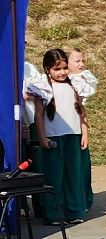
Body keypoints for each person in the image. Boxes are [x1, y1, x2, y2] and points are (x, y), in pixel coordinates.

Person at [27, 48, 88, 224]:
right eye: (57, 69)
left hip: (73, 135)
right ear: (47, 69)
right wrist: (42, 137)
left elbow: (82, 111)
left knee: (74, 174)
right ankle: (53, 213)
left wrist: (84, 133)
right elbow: (38, 115)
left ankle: (74, 211)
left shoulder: (75, 84)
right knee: (54, 175)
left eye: (64, 68)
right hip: (53, 137)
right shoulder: (43, 87)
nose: (62, 73)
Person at [67, 49, 98, 210]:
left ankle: (84, 197)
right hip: (67, 125)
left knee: (82, 164)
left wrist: (85, 130)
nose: (81, 64)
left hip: (78, 123)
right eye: (77, 61)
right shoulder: (65, 81)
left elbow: (81, 109)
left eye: (82, 61)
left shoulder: (81, 80)